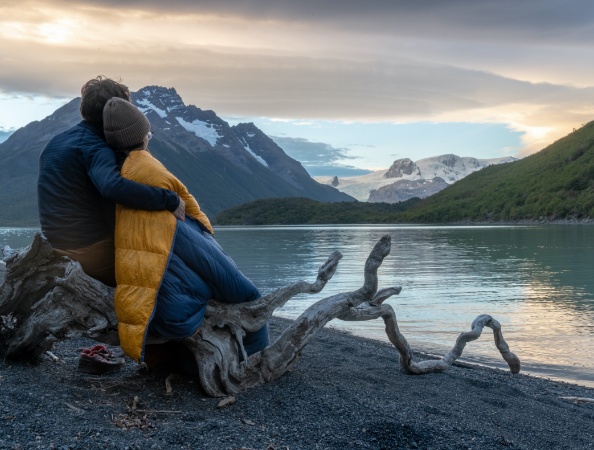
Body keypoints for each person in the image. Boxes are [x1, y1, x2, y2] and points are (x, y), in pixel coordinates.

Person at [102, 97, 269, 365]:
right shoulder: (153, 180)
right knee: (252, 299)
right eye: (148, 133)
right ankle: (257, 361)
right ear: (143, 137)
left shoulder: (118, 175)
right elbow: (219, 269)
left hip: (146, 308)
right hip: (176, 315)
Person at [37, 76, 185, 374]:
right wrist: (169, 200)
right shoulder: (95, 146)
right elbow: (112, 187)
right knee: (162, 277)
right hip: (91, 251)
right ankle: (163, 356)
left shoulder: (59, 141)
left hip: (58, 247)